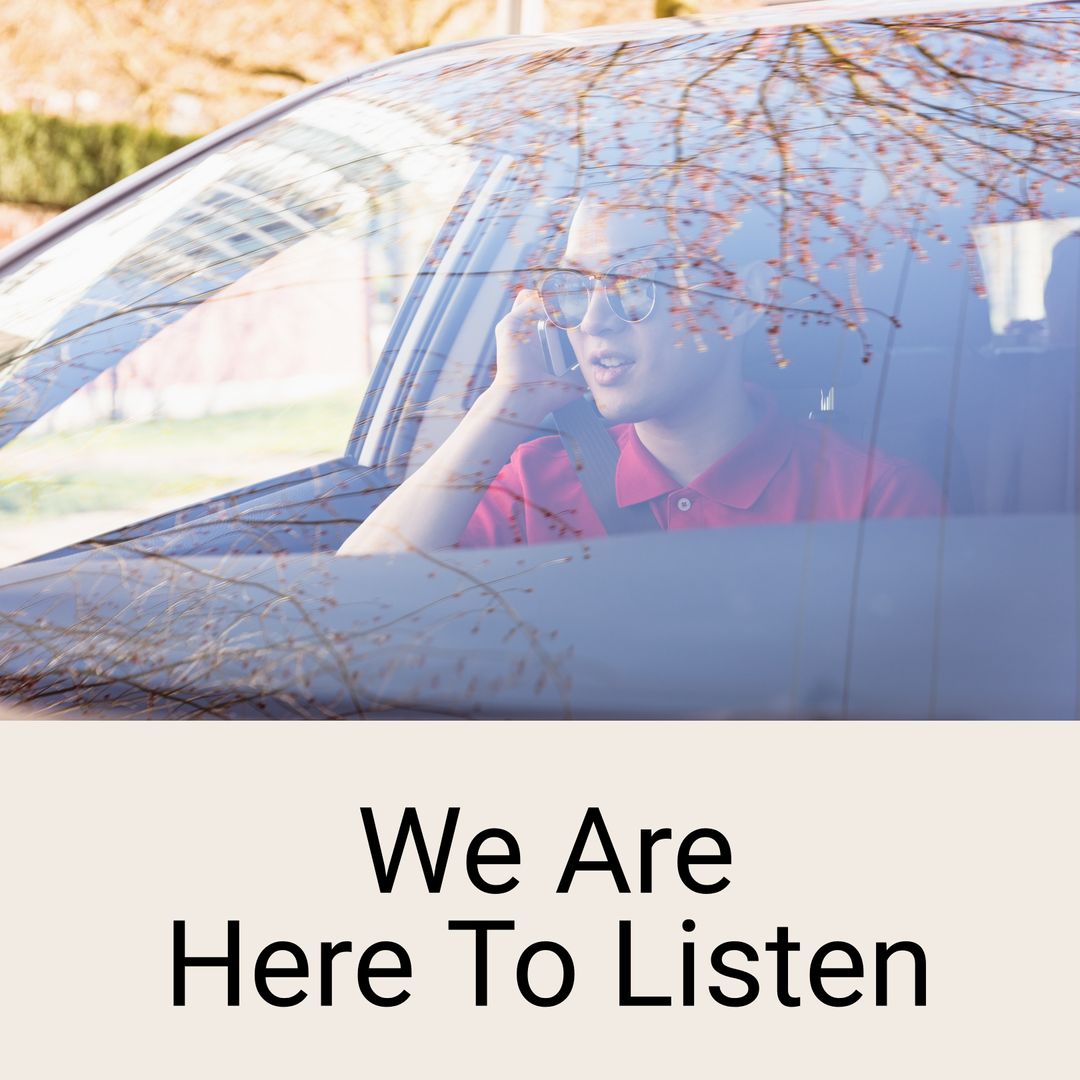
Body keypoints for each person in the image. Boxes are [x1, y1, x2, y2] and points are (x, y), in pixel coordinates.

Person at [339, 193, 941, 556]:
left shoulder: (872, 499)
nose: (593, 319)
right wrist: (507, 403)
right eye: (576, 286)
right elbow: (355, 607)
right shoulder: (535, 483)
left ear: (738, 302)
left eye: (635, 284)